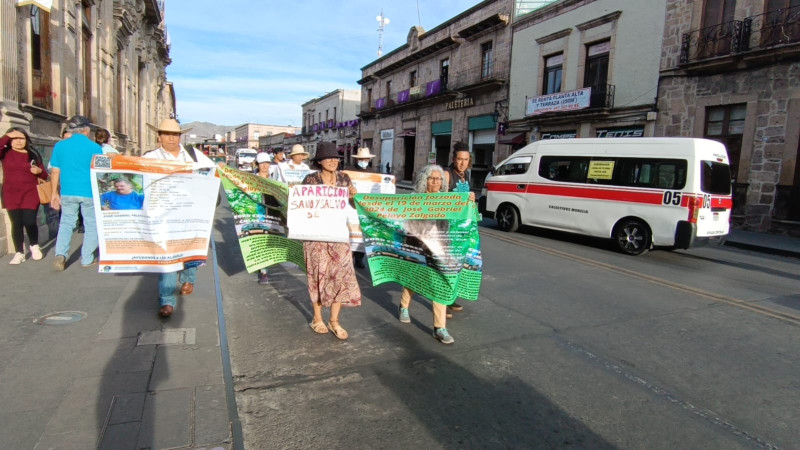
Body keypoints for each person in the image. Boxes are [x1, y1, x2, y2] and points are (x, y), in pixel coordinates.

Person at [143, 118, 213, 317]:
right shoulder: (150, 157)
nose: (171, 138)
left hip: (190, 212)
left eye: (174, 134)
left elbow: (211, 176)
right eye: (166, 134)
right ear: (159, 136)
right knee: (167, 257)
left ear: (179, 136)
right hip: (163, 214)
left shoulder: (193, 156)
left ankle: (189, 276)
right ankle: (166, 300)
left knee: (189, 248)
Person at [301, 141, 361, 340]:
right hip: (315, 236)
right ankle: (317, 318)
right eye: (328, 158)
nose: (333, 161)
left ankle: (334, 320)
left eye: (335, 157)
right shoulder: (310, 180)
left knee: (341, 275)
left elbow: (354, 205)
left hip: (338, 234)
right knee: (318, 275)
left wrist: (355, 197)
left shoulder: (344, 178)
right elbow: (302, 207)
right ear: (319, 161)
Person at [397, 164, 455, 344]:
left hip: (438, 247)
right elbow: (406, 222)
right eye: (432, 178)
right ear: (424, 180)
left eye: (439, 179)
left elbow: (460, 214)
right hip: (418, 244)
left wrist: (469, 199)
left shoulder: (447, 199)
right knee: (413, 279)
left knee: (440, 283)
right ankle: (404, 306)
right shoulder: (415, 198)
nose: (436, 182)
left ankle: (440, 327)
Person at [50, 115, 103, 270]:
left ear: (71, 130)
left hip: (67, 191)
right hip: (89, 192)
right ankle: (87, 258)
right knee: (91, 224)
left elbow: (55, 171)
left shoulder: (60, 146)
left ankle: (60, 254)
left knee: (66, 222)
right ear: (86, 130)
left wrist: (54, 192)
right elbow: (101, 171)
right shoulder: (95, 148)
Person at [0, 128, 48, 264]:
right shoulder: (5, 153)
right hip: (11, 194)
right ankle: (19, 252)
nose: (18, 141)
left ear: (27, 139)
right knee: (16, 223)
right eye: (15, 138)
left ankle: (34, 245)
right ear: (9, 140)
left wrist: (39, 171)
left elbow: (44, 174)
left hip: (30, 193)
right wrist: (7, 135)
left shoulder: (33, 154)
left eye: (21, 138)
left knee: (30, 221)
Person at [441, 141, 476, 314]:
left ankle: (451, 297)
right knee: (447, 264)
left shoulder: (466, 175)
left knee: (458, 264)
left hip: (461, 227)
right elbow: (440, 200)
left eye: (465, 159)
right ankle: (443, 300)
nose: (462, 163)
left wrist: (470, 198)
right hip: (448, 227)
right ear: (453, 159)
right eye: (459, 159)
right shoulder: (447, 175)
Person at [349, 146, 376, 269]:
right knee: (351, 231)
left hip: (366, 207)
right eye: (361, 159)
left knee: (364, 232)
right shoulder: (349, 172)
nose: (363, 161)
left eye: (366, 159)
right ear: (356, 160)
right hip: (351, 206)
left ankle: (359, 258)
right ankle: (350, 256)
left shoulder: (373, 173)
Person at [254, 152, 273, 285]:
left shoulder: (274, 178)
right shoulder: (251, 178)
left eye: (267, 163)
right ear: (257, 164)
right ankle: (263, 272)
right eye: (262, 163)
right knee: (261, 241)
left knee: (270, 242)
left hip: (272, 214)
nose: (265, 165)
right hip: (258, 213)